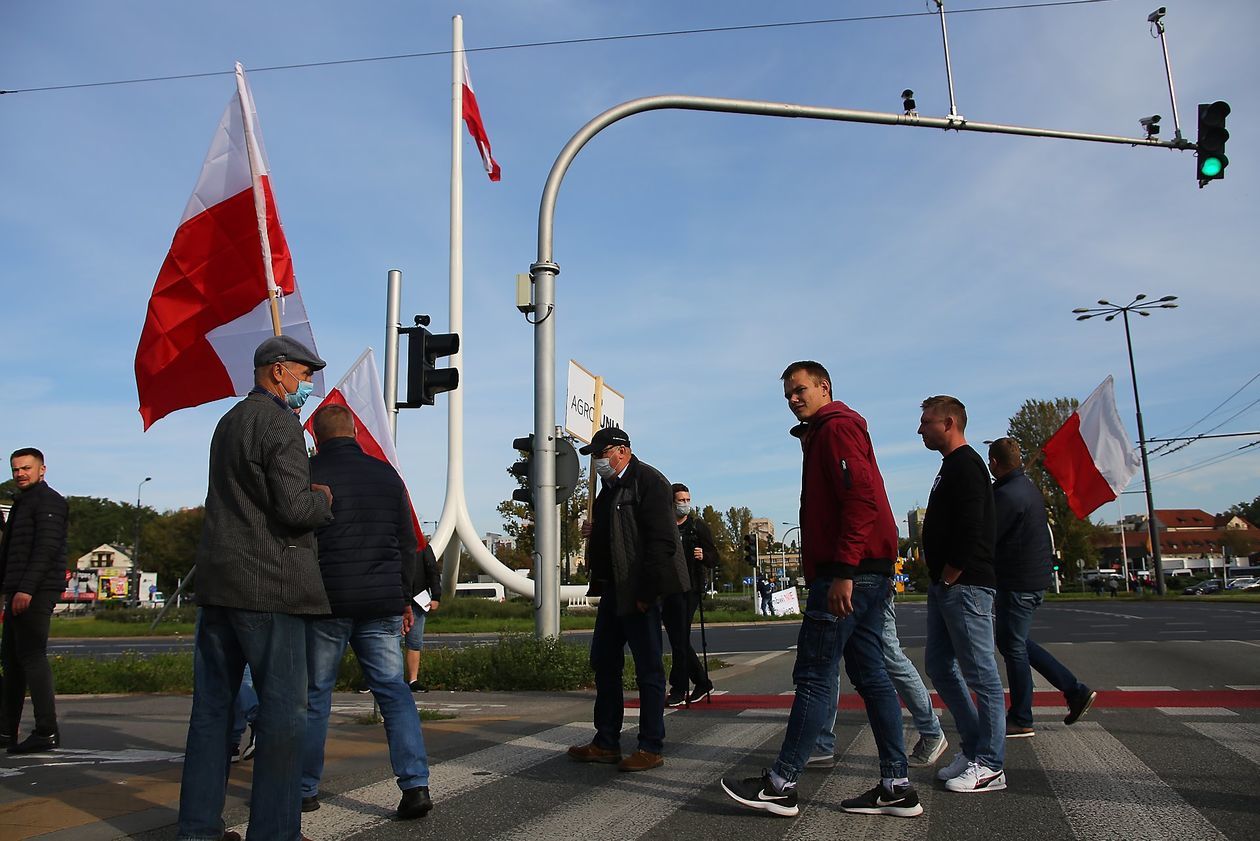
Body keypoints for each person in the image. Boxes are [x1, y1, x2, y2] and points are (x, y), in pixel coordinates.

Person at [721, 361, 922, 819]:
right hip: (866, 572)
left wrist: (844, 571)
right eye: (788, 394)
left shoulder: (835, 430)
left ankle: (781, 783)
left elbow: (861, 499)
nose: (793, 399)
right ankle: (896, 785)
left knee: (814, 675)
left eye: (800, 390)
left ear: (823, 387)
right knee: (871, 677)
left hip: (846, 573)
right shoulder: (828, 431)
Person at [177, 335, 334, 841]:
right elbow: (292, 508)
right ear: (277, 370)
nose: (308, 383)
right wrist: (322, 500)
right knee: (284, 717)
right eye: (305, 374)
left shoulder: (228, 422)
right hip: (270, 586)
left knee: (211, 714)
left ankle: (198, 828)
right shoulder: (281, 422)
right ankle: (275, 830)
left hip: (219, 582)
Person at [301, 404, 433, 820]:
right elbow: (406, 543)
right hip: (380, 604)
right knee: (394, 693)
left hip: (326, 603)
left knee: (315, 695)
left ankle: (305, 788)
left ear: (317, 437)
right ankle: (415, 786)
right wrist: (402, 600)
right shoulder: (386, 475)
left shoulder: (307, 474)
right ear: (356, 431)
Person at [568, 427, 689, 773]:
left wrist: (647, 593)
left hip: (639, 591)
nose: (597, 461)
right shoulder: (609, 490)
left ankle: (650, 745)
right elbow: (619, 534)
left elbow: (662, 543)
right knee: (604, 662)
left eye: (601, 453)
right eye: (593, 455)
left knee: (649, 669)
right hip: (613, 590)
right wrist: (597, 532)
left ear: (622, 451)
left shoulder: (648, 482)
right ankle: (606, 741)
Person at [918, 395, 1006, 794]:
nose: (921, 429)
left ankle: (990, 764)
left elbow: (973, 528)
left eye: (926, 422)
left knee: (981, 675)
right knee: (938, 664)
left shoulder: (968, 465)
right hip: (947, 586)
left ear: (949, 423)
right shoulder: (950, 467)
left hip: (965, 585)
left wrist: (951, 575)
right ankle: (974, 748)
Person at [988, 438, 1098, 737]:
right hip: (1031, 580)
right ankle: (1073, 691)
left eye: (990, 461)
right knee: (1017, 643)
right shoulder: (1025, 489)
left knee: (1013, 646)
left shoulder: (1009, 495)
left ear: (995, 463)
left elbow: (989, 537)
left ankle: (1023, 716)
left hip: (1017, 582)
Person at [809, 582, 948, 769]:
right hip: (843, 580)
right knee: (829, 659)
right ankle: (821, 744)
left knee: (888, 657)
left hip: (863, 581)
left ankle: (931, 732)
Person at [0, 447, 69, 754]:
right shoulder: (21, 503)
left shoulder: (48, 502)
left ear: (42, 469)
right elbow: (10, 554)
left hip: (36, 590)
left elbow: (46, 549)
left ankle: (46, 730)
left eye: (26, 468)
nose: (20, 474)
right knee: (12, 662)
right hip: (17, 589)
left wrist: (26, 589)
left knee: (31, 657)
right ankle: (6, 731)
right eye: (16, 469)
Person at [661, 483, 718, 707]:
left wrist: (704, 555)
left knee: (679, 637)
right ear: (671, 502)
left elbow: (715, 557)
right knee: (678, 638)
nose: (684, 504)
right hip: (667, 588)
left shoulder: (697, 527)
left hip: (690, 588)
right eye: (680, 500)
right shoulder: (664, 525)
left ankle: (679, 687)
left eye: (687, 500)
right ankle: (702, 682)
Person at [403, 543, 441, 693]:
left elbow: (433, 572)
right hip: (394, 600)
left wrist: (436, 596)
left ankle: (413, 680)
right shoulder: (391, 542)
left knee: (414, 642)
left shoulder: (423, 547)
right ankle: (382, 680)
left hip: (416, 601)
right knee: (385, 641)